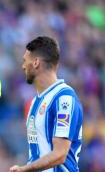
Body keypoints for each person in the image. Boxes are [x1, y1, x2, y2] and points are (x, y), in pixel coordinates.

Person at [9, 36, 83, 172]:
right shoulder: (34, 102)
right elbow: (38, 154)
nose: (23, 66)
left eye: (25, 61)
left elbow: (60, 154)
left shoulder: (64, 99)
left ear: (36, 62)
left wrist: (25, 169)